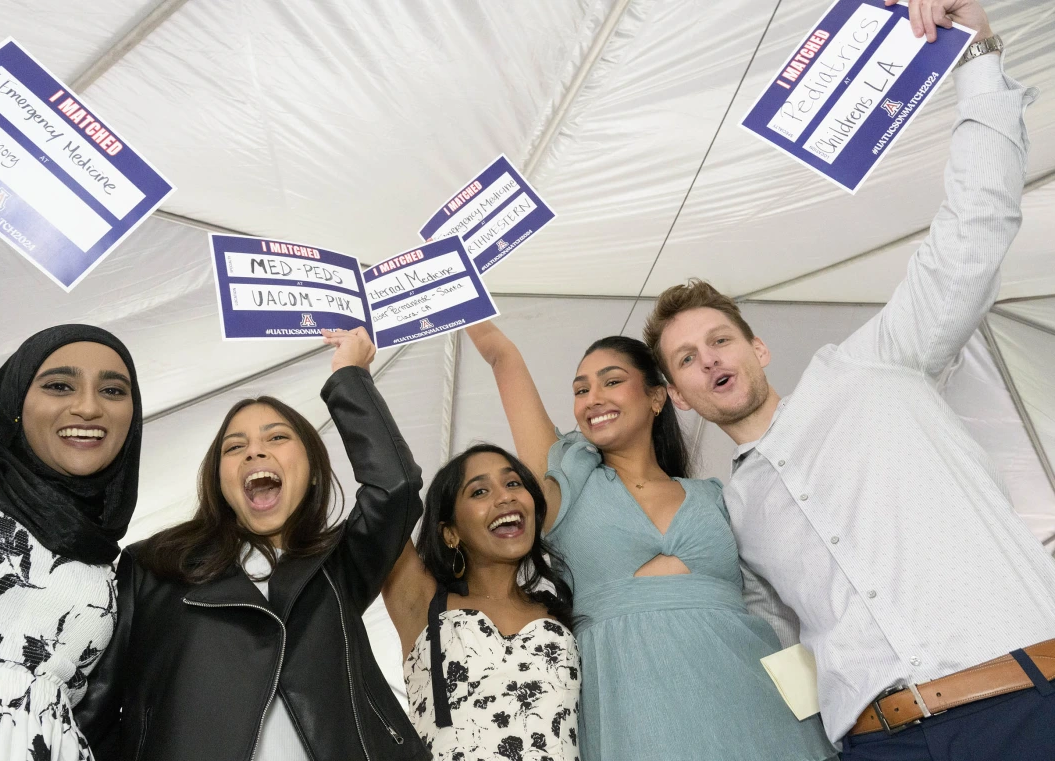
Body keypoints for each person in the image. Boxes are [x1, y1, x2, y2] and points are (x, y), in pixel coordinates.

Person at [644, 1, 1055, 758]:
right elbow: (785, 646)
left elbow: (974, 227)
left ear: (758, 347)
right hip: (878, 743)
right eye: (688, 359)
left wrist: (978, 58)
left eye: (720, 339)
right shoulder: (733, 510)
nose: (710, 360)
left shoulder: (873, 364)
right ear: (677, 395)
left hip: (1022, 698)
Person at [466, 326, 837, 761]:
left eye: (612, 381)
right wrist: (462, 297)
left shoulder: (716, 496)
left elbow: (781, 600)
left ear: (657, 397)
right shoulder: (565, 484)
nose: (593, 397)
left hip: (758, 706)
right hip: (633, 711)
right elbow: (501, 356)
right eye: (580, 389)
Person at [75, 327, 430, 761]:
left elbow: (395, 487)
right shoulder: (152, 565)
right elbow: (93, 713)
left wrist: (350, 376)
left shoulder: (340, 564)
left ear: (313, 470)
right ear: (220, 481)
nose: (254, 452)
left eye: (277, 438)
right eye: (235, 446)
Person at [0, 325, 142, 761]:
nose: (89, 407)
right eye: (59, 386)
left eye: (114, 391)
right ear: (16, 402)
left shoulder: (119, 566)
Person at [383, 444, 581, 761]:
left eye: (513, 483)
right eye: (479, 492)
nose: (505, 497)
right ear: (450, 534)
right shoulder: (423, 603)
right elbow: (385, 489)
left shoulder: (563, 608)